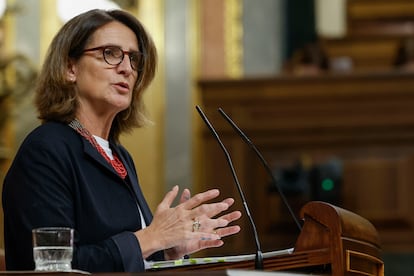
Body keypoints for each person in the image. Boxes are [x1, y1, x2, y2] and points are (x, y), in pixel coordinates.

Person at [2, 9, 242, 272]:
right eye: (110, 53)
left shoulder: (119, 156)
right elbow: (55, 267)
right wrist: (151, 238)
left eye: (134, 59)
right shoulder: (46, 149)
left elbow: (129, 257)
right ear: (70, 68)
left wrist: (169, 249)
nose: (127, 68)